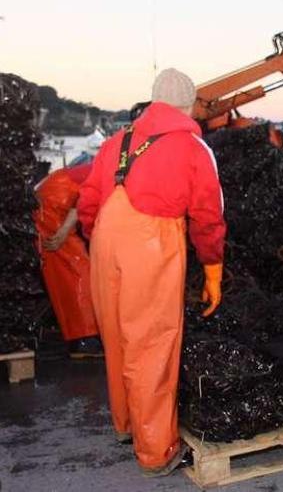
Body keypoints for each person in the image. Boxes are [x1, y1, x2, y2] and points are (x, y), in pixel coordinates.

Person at [77, 68, 227, 477]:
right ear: (190, 105)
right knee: (152, 344)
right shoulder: (194, 147)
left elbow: (88, 201)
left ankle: (127, 426)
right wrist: (212, 267)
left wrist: (100, 238)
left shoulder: (115, 142)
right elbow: (208, 216)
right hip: (153, 240)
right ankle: (157, 451)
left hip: (106, 241)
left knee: (117, 335)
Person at [33, 162, 102, 358]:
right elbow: (83, 201)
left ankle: (83, 336)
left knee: (71, 268)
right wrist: (63, 232)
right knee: (75, 268)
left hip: (57, 193)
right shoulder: (122, 171)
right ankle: (83, 339)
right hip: (58, 199)